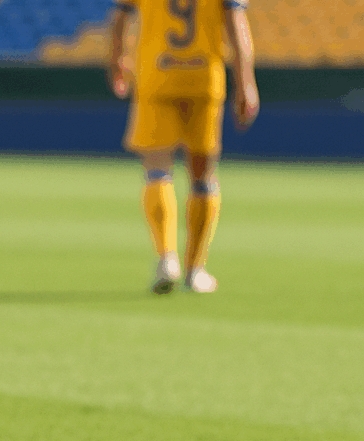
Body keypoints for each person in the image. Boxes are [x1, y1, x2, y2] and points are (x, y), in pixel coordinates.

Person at [108, 0, 259, 293]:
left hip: (156, 74)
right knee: (202, 176)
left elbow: (120, 18)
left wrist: (116, 59)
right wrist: (246, 81)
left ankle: (167, 258)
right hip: (203, 78)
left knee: (157, 170)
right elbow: (236, 23)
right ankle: (195, 269)